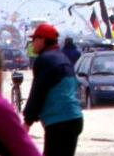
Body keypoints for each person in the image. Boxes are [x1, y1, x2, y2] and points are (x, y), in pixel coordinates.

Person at [22, 24, 82, 156]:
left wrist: (27, 121)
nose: (32, 43)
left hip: (60, 122)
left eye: (34, 39)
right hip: (75, 117)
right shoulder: (62, 58)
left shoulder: (44, 60)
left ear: (43, 40)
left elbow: (38, 91)